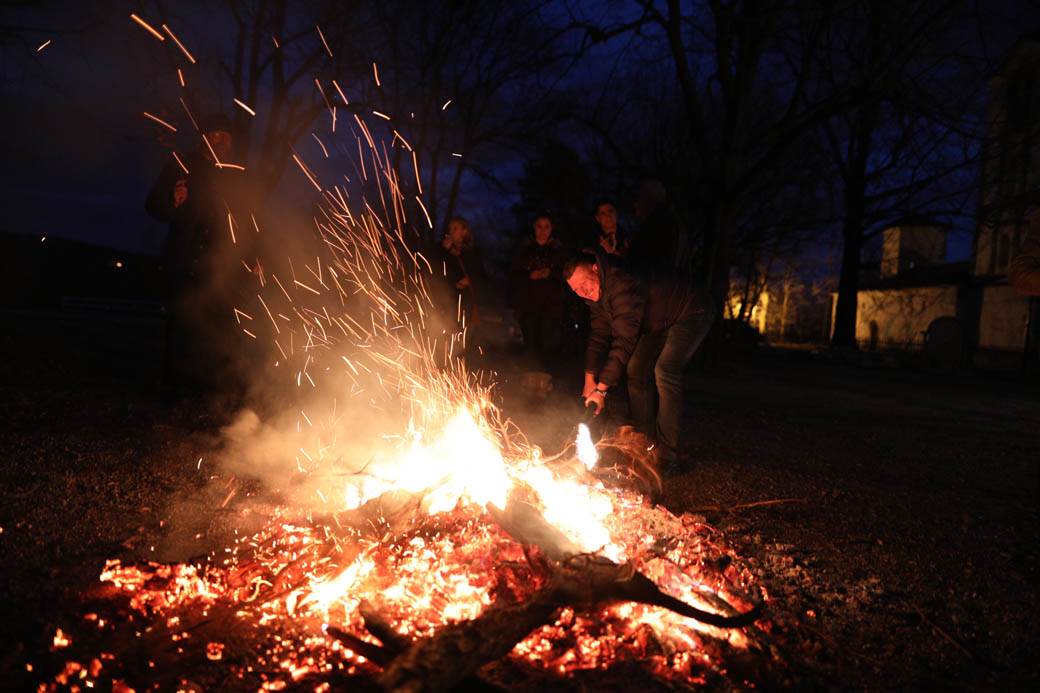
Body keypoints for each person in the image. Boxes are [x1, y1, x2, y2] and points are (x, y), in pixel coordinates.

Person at [564, 250, 714, 474]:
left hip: (691, 308)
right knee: (636, 368)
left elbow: (623, 341)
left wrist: (602, 390)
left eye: (583, 283)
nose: (582, 292)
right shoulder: (596, 297)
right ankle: (645, 446)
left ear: (595, 268)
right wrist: (589, 380)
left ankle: (667, 456)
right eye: (576, 290)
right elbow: (598, 335)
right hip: (657, 317)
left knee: (665, 371)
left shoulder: (621, 282)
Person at [146, 113, 251, 399]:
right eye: (216, 136)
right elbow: (154, 206)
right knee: (183, 324)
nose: (221, 142)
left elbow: (248, 219)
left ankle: (217, 390)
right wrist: (173, 198)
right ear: (204, 139)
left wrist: (254, 254)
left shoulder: (234, 173)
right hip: (185, 260)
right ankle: (175, 391)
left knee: (220, 327)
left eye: (226, 138)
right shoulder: (182, 166)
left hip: (221, 264)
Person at [510, 213, 567, 368]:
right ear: (534, 228)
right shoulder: (524, 249)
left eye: (546, 227)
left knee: (547, 345)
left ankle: (543, 381)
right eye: (539, 226)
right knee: (530, 343)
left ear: (551, 229)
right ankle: (527, 380)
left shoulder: (558, 250)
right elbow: (513, 274)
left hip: (550, 306)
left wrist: (551, 273)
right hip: (529, 305)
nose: (542, 230)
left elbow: (566, 274)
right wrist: (529, 275)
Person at [628, 179, 687, 276]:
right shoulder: (670, 221)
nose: (635, 205)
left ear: (648, 199)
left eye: (638, 198)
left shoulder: (658, 225)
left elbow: (642, 264)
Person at [435, 216, 483, 334]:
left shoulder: (472, 252)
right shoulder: (441, 249)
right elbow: (435, 271)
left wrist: (469, 280)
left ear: (464, 231)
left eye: (455, 228)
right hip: (446, 300)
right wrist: (444, 250)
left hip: (466, 302)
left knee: (464, 334)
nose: (451, 232)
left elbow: (481, 275)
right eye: (450, 229)